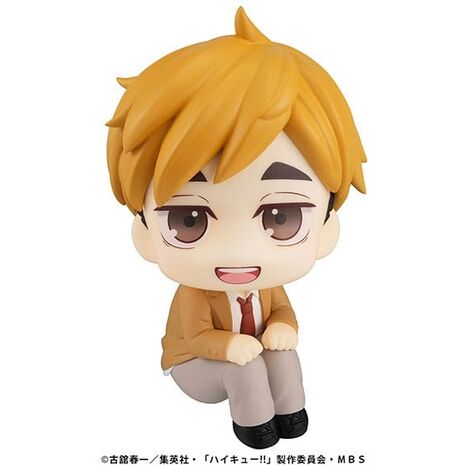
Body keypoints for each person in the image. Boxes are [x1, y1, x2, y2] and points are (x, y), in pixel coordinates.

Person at [106, 7, 366, 449]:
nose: (240, 250)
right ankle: (254, 427)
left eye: (281, 217)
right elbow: (196, 338)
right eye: (188, 220)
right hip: (195, 366)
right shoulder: (196, 293)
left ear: (326, 229)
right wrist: (228, 346)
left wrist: (282, 327)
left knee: (283, 356)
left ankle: (292, 415)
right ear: (146, 235)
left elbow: (282, 313)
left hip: (254, 356)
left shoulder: (267, 285)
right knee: (244, 368)